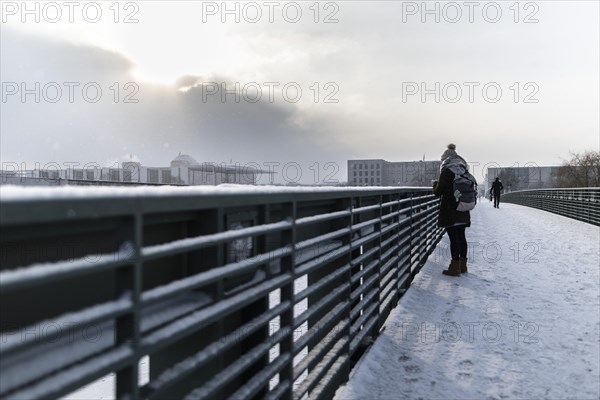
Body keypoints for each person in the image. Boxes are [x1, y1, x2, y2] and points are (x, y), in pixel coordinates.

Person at [432, 144, 471, 276]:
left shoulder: (446, 171)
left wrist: (435, 184)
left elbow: (438, 192)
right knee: (461, 236)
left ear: (445, 159)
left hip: (450, 210)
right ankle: (463, 265)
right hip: (463, 208)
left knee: (453, 238)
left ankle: (454, 267)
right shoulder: (464, 170)